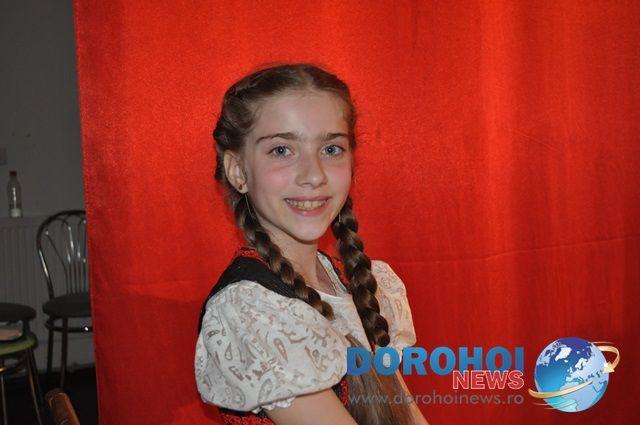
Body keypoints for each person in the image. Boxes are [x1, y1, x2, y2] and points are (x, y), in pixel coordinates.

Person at [195, 63, 428, 425]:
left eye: (331, 149)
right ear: (238, 171)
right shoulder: (252, 312)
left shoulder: (362, 284)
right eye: (281, 150)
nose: (314, 175)